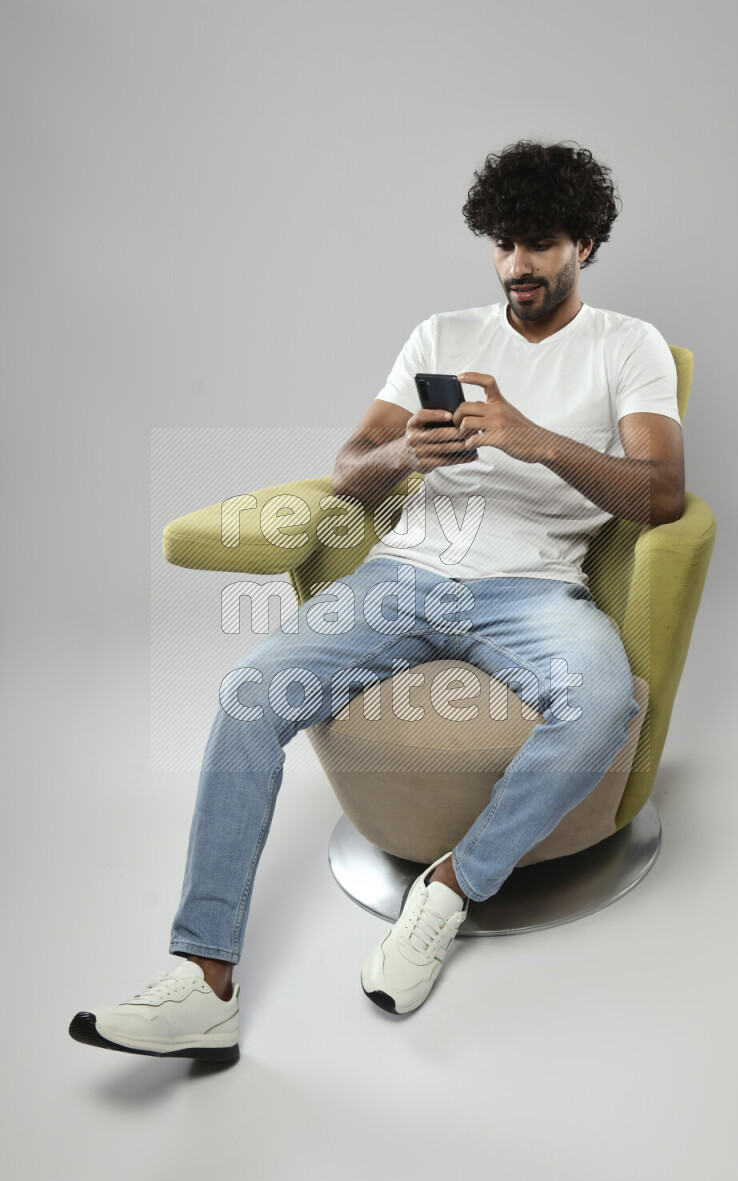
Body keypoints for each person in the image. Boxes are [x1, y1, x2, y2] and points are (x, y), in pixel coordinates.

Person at [69, 140, 684, 1061]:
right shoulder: (440, 334)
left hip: (530, 591)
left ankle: (449, 889)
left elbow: (661, 494)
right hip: (403, 578)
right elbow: (351, 476)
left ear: (586, 244)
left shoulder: (627, 346)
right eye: (504, 244)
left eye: (541, 245)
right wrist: (410, 455)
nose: (518, 266)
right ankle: (205, 982)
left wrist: (533, 439)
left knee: (600, 701)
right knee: (246, 698)